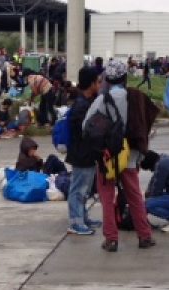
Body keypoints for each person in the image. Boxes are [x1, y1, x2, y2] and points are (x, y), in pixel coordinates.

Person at [82, 60, 155, 252]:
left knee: (106, 198)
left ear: (107, 78)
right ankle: (145, 236)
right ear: (124, 77)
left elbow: (86, 127)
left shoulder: (102, 100)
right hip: (130, 156)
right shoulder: (136, 97)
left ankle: (111, 239)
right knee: (135, 197)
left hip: (108, 158)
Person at [65, 67, 101, 236]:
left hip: (87, 154)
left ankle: (82, 217)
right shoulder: (81, 106)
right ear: (92, 83)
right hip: (81, 154)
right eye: (98, 81)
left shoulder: (86, 102)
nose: (100, 85)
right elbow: (84, 132)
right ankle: (75, 221)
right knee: (78, 189)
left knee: (84, 189)